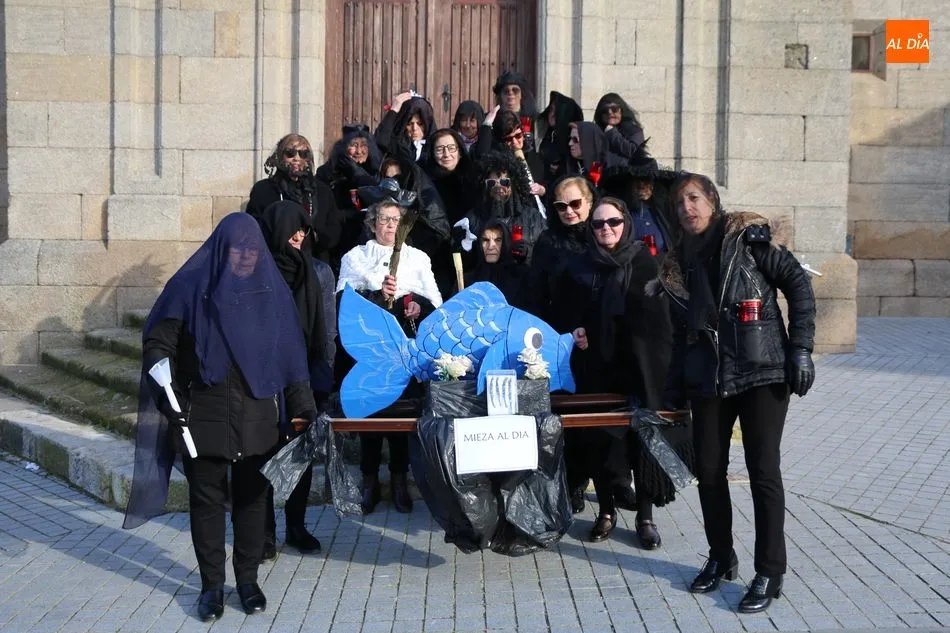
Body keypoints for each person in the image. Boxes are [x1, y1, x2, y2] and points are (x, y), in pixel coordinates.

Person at [125, 213, 316, 621]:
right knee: (206, 502)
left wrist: (302, 407)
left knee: (252, 499)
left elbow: (290, 357)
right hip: (203, 412)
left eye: (252, 248)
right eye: (237, 248)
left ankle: (246, 580)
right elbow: (159, 342)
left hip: (257, 412)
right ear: (222, 248)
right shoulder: (191, 288)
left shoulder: (270, 292)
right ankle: (211, 586)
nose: (246, 256)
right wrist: (168, 389)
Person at [655, 173, 816, 613]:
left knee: (763, 471)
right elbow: (679, 335)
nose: (687, 208)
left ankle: (769, 570)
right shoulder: (676, 263)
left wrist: (800, 349)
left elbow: (798, 286)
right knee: (708, 470)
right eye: (679, 203)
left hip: (762, 370)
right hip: (708, 377)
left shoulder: (749, 240)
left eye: (694, 198)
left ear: (712, 201)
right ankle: (721, 555)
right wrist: (672, 390)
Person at [555, 198, 673, 547]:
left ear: (626, 224)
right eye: (598, 224)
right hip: (596, 369)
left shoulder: (645, 263)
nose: (606, 228)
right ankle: (605, 511)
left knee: (641, 442)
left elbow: (659, 321)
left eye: (613, 222)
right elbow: (566, 314)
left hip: (639, 369)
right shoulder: (581, 266)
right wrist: (574, 330)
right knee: (601, 442)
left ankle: (645, 517)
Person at [337, 200, 444, 514]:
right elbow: (341, 297)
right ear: (372, 224)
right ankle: (369, 480)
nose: (389, 226)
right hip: (370, 346)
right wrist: (375, 294)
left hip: (406, 343)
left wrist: (418, 304)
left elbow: (437, 300)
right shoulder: (355, 257)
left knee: (402, 413)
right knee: (372, 412)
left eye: (396, 220)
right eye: (383, 220)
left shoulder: (418, 258)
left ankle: (399, 478)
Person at [257, 201, 337, 558]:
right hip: (264, 377)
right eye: (293, 226)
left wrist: (322, 376)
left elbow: (328, 330)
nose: (299, 233)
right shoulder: (257, 271)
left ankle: (297, 525)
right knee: (263, 452)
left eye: (304, 228)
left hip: (305, 376)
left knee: (300, 453)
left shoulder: (318, 271)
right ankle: (264, 531)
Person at [246, 133, 341, 263]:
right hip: (275, 261)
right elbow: (254, 226)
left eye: (303, 154)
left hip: (314, 261)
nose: (296, 158)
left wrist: (311, 238)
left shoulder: (322, 191)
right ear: (280, 156)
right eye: (290, 153)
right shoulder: (263, 190)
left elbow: (334, 229)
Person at [460, 150, 546, 268]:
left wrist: (528, 253)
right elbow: (463, 261)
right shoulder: (472, 218)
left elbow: (546, 255)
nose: (498, 186)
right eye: (491, 183)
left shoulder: (532, 216)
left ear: (515, 184)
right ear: (484, 185)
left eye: (504, 182)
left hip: (522, 281)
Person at [315, 124, 383, 269]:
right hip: (339, 237)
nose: (359, 151)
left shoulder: (376, 170)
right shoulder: (327, 171)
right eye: (353, 145)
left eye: (364, 145)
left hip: (367, 236)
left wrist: (356, 173)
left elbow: (378, 195)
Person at [600, 156, 681, 257]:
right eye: (638, 181)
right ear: (630, 184)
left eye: (647, 180)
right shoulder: (619, 214)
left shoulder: (663, 212)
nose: (643, 186)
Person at [462, 218, 533, 310]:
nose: (491, 246)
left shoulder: (521, 278)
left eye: (498, 240)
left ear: (506, 242)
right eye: (486, 240)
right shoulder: (467, 281)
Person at [423, 128, 478, 226]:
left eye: (451, 148)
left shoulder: (472, 178)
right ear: (432, 154)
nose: (446, 154)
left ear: (460, 152)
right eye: (439, 150)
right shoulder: (426, 182)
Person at [375, 92, 437, 163]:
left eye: (420, 124)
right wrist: (394, 110)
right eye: (409, 124)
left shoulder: (436, 146)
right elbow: (380, 141)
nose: (414, 128)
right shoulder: (395, 147)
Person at [536, 91, 584, 182]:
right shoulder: (545, 134)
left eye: (556, 111)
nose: (552, 114)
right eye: (551, 110)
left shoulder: (574, 137)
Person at [594, 93, 648, 160]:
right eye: (604, 110)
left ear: (621, 110)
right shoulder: (596, 131)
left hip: (627, 170)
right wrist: (594, 171)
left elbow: (633, 152)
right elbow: (596, 159)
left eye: (614, 109)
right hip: (603, 170)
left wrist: (612, 133)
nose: (610, 112)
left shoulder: (633, 131)